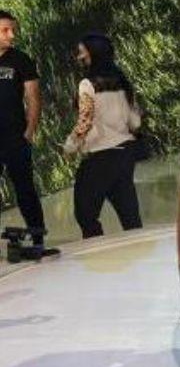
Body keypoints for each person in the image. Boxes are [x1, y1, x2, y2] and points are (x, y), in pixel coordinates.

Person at [63, 33, 143, 238]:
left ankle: (98, 253)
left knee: (86, 215)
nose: (79, 57)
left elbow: (85, 121)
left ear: (94, 54)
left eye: (82, 52)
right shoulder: (121, 80)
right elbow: (135, 121)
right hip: (125, 152)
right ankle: (139, 250)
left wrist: (70, 146)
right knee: (130, 216)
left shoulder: (87, 84)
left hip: (101, 155)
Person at [0, 10, 46, 248]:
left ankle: (38, 240)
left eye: (13, 30)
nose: (11, 35)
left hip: (15, 138)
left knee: (25, 190)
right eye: (5, 30)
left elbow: (33, 98)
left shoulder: (21, 60)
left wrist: (29, 132)